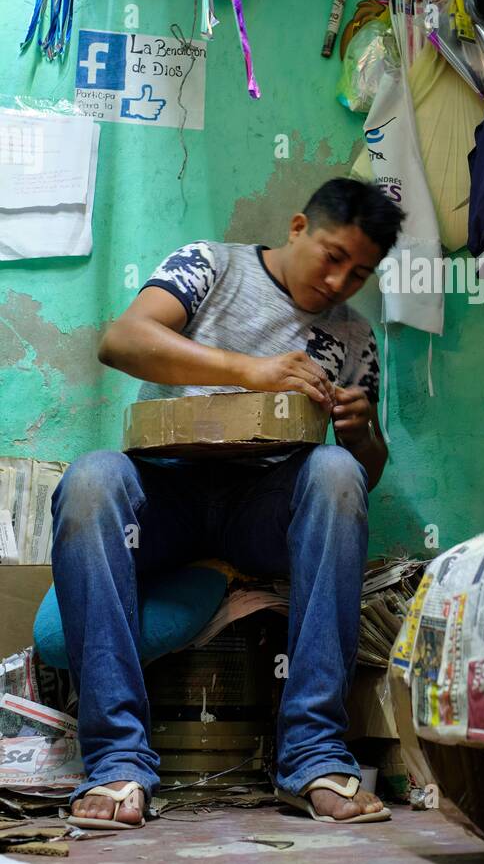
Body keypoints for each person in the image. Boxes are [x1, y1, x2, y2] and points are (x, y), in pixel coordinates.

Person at [51, 178, 404, 829]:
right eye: (332, 256)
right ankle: (118, 761)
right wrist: (248, 370)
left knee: (335, 471)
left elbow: (364, 479)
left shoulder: (354, 337)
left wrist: (365, 434)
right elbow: (123, 340)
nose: (338, 283)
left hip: (263, 509)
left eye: (360, 274)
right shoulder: (211, 264)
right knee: (92, 479)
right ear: (298, 228)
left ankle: (314, 756)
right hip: (169, 492)